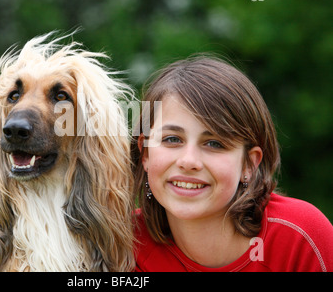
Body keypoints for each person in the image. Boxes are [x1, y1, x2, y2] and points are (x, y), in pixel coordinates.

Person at [132, 55, 333, 272]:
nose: (188, 161)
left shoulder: (300, 237)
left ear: (249, 164)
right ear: (146, 154)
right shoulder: (121, 242)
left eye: (214, 143)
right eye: (172, 139)